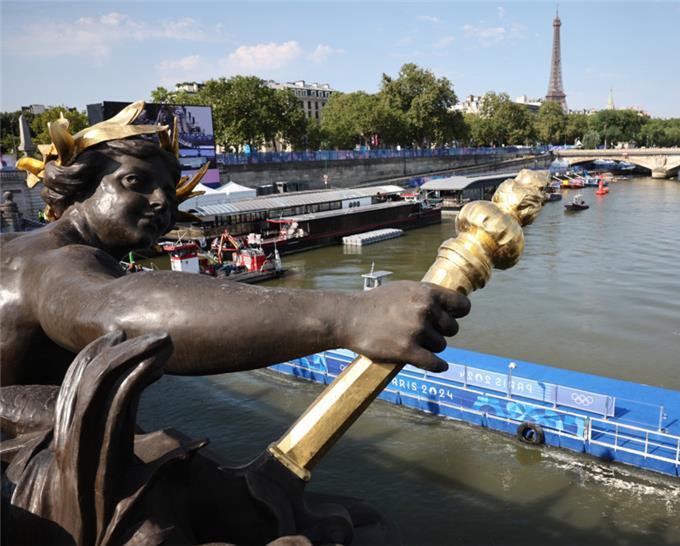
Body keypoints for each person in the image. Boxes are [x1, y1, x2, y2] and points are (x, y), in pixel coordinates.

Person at [1, 103, 470, 417]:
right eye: (135, 182)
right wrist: (351, 316)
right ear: (79, 185)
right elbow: (118, 309)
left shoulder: (18, 246)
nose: (161, 202)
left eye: (170, 193)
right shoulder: (58, 261)